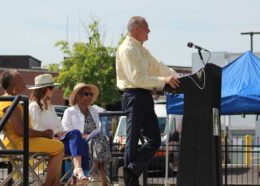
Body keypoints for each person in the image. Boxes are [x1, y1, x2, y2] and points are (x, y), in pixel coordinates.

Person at [116, 16, 180, 186]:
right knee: (132, 138)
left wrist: (176, 77)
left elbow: (157, 65)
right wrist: (164, 80)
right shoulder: (127, 49)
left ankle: (131, 171)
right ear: (137, 28)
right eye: (146, 28)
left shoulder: (141, 50)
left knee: (154, 140)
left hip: (143, 96)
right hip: (133, 95)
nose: (149, 31)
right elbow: (137, 79)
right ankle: (130, 178)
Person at [0, 70, 64, 186]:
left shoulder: (13, 100)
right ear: (13, 86)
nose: (24, 82)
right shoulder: (9, 101)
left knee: (58, 146)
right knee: (59, 147)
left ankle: (55, 183)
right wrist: (44, 134)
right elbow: (20, 130)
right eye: (20, 79)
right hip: (18, 143)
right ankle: (50, 184)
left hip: (21, 141)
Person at [28, 74, 89, 185]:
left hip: (56, 140)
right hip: (46, 141)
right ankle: (78, 175)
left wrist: (61, 131)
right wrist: (53, 134)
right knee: (78, 137)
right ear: (44, 90)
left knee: (80, 140)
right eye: (51, 88)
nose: (53, 91)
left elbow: (58, 125)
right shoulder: (34, 106)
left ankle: (79, 174)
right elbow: (35, 128)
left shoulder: (49, 106)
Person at [62, 83, 112, 186]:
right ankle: (100, 178)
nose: (89, 96)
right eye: (86, 94)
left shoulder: (93, 111)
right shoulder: (70, 111)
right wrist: (84, 135)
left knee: (101, 139)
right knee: (100, 142)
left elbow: (98, 129)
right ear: (77, 95)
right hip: (78, 143)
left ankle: (90, 173)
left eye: (90, 94)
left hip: (95, 141)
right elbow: (65, 131)